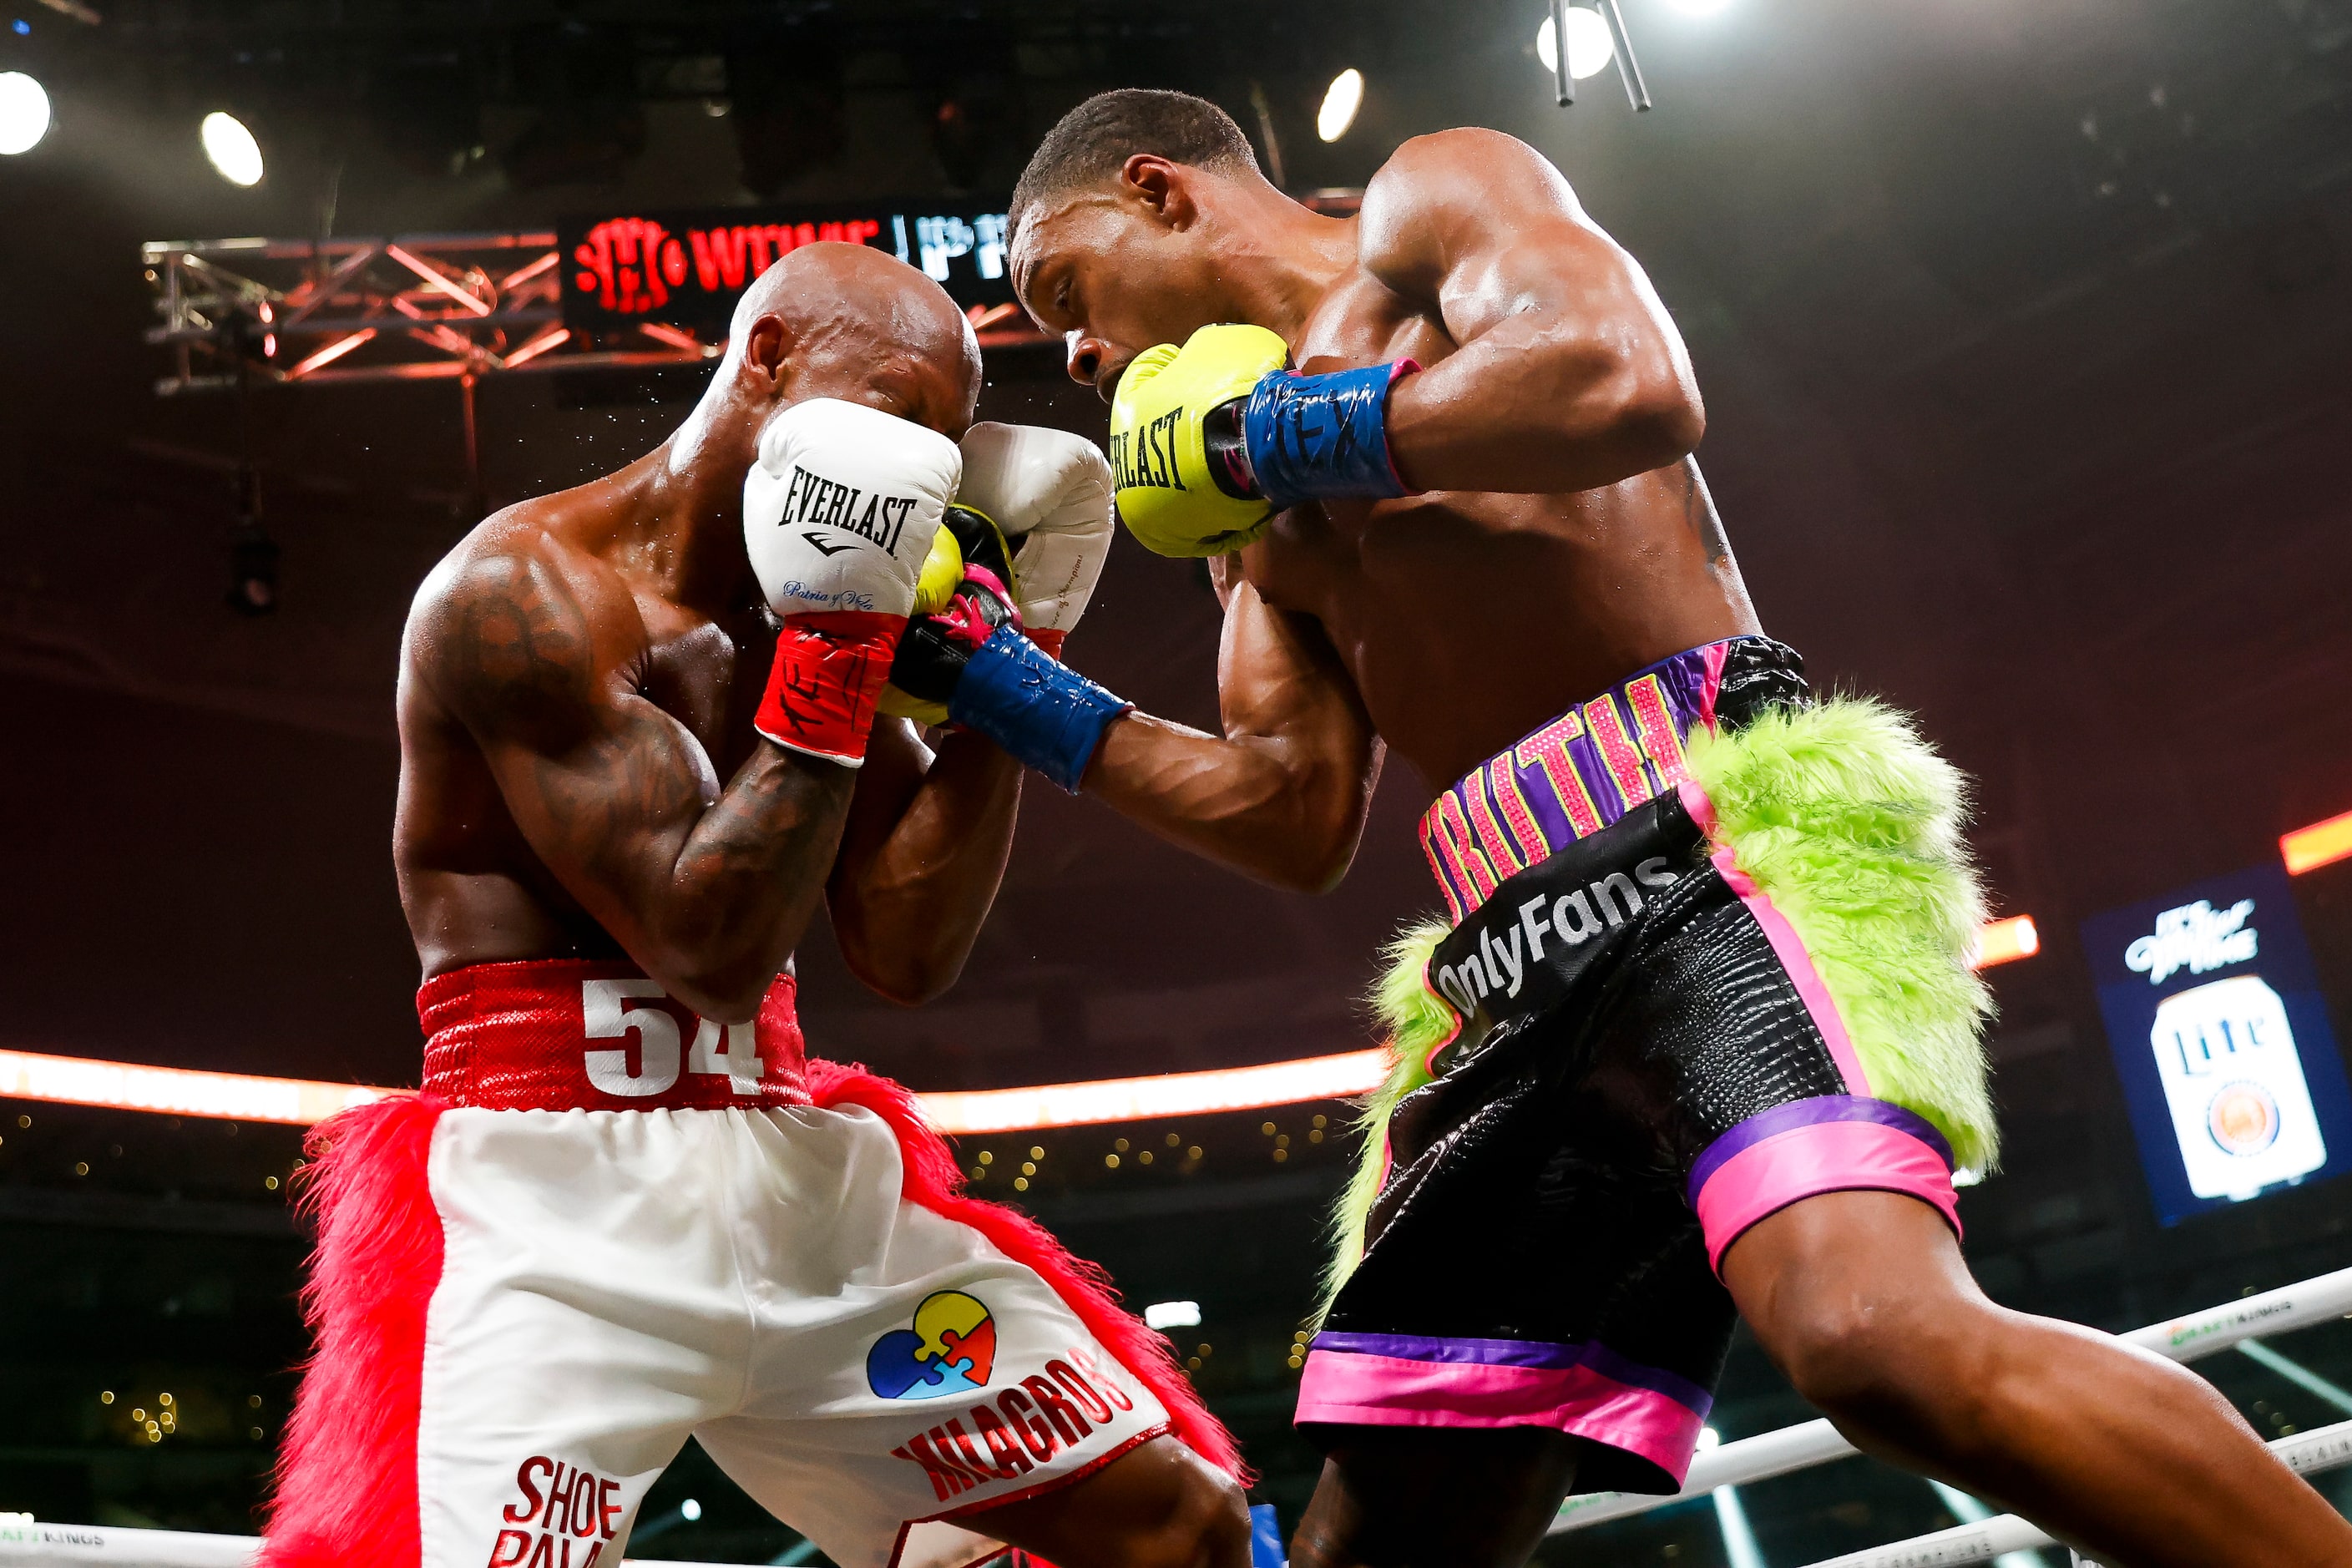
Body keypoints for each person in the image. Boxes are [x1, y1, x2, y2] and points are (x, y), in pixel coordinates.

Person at [928, 89, 2352, 1568]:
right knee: (1381, 1539)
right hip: (1502, 973)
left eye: (1063, 292)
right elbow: (1288, 813)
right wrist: (1011, 688)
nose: (1080, 353)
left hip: (1716, 840)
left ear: (1161, 193)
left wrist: (1285, 429)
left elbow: (1622, 380)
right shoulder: (1236, 519)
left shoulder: (1430, 203)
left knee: (1873, 1340)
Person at [257, 241, 1251, 1568]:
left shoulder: (823, 598)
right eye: (894, 412)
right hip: (557, 1211)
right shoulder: (526, 595)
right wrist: (840, 650)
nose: (920, 472)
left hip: (797, 1185)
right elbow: (707, 948)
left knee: (1171, 1523)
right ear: (767, 355)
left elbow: (905, 950)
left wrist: (1008, 681)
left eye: (944, 445)